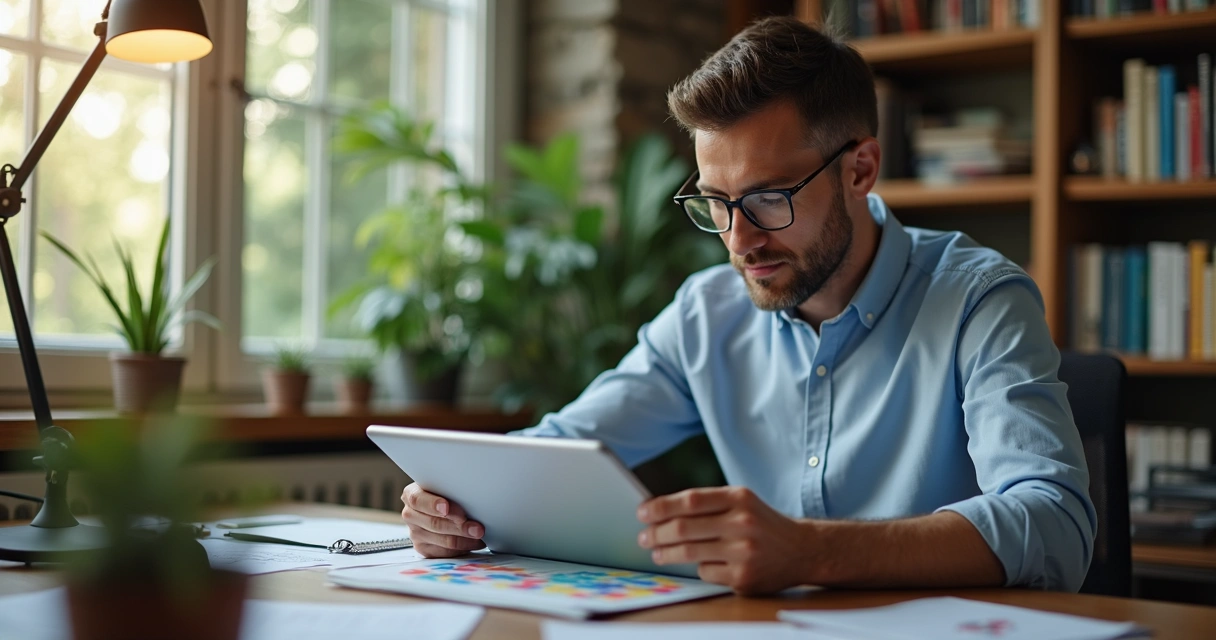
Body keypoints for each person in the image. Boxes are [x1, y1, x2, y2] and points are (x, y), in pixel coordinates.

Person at [399, 16, 1096, 595]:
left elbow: (1055, 521)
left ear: (860, 169)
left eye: (769, 197)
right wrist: (456, 505)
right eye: (715, 201)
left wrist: (813, 552)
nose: (739, 239)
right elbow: (558, 452)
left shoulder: (979, 297)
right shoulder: (707, 314)